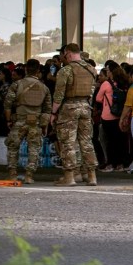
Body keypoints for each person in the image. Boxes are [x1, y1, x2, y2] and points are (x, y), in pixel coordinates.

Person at [51, 43, 99, 187]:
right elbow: (91, 93)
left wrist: (53, 112)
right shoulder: (91, 70)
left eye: (64, 55)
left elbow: (59, 95)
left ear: (68, 53)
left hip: (69, 108)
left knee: (68, 143)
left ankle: (70, 177)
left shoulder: (65, 71)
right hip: (86, 107)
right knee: (86, 142)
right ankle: (91, 176)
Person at [2, 59, 51, 183]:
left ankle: (12, 175)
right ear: (38, 71)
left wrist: (8, 120)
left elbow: (7, 104)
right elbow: (47, 109)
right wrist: (44, 125)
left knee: (13, 148)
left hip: (19, 121)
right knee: (34, 149)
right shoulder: (44, 88)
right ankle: (29, 176)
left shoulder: (17, 85)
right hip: (36, 123)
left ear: (25, 69)